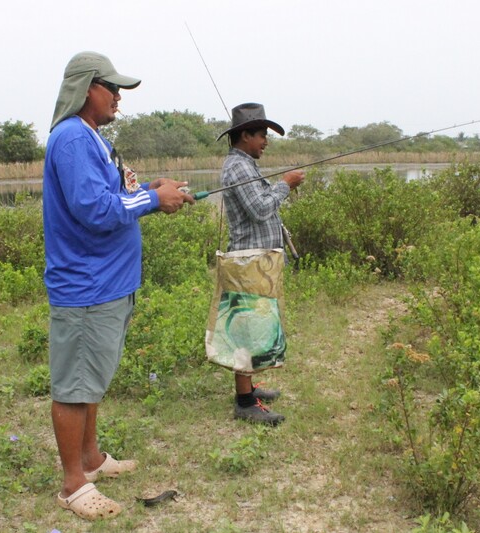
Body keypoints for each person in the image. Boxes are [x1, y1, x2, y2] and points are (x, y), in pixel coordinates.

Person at [43, 51, 194, 521]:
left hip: (108, 285)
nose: (119, 100)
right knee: (74, 385)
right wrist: (152, 199)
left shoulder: (91, 138)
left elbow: (111, 197)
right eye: (113, 90)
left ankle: (91, 458)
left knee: (91, 379)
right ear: (88, 87)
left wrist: (152, 187)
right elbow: (94, 211)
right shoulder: (71, 139)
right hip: (86, 288)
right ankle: (73, 484)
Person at [217, 102, 305, 426]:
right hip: (248, 260)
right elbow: (259, 208)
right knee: (245, 331)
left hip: (258, 260)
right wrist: (286, 184)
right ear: (245, 136)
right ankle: (244, 402)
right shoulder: (238, 167)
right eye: (262, 136)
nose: (266, 142)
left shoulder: (245, 164)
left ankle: (249, 389)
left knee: (254, 327)